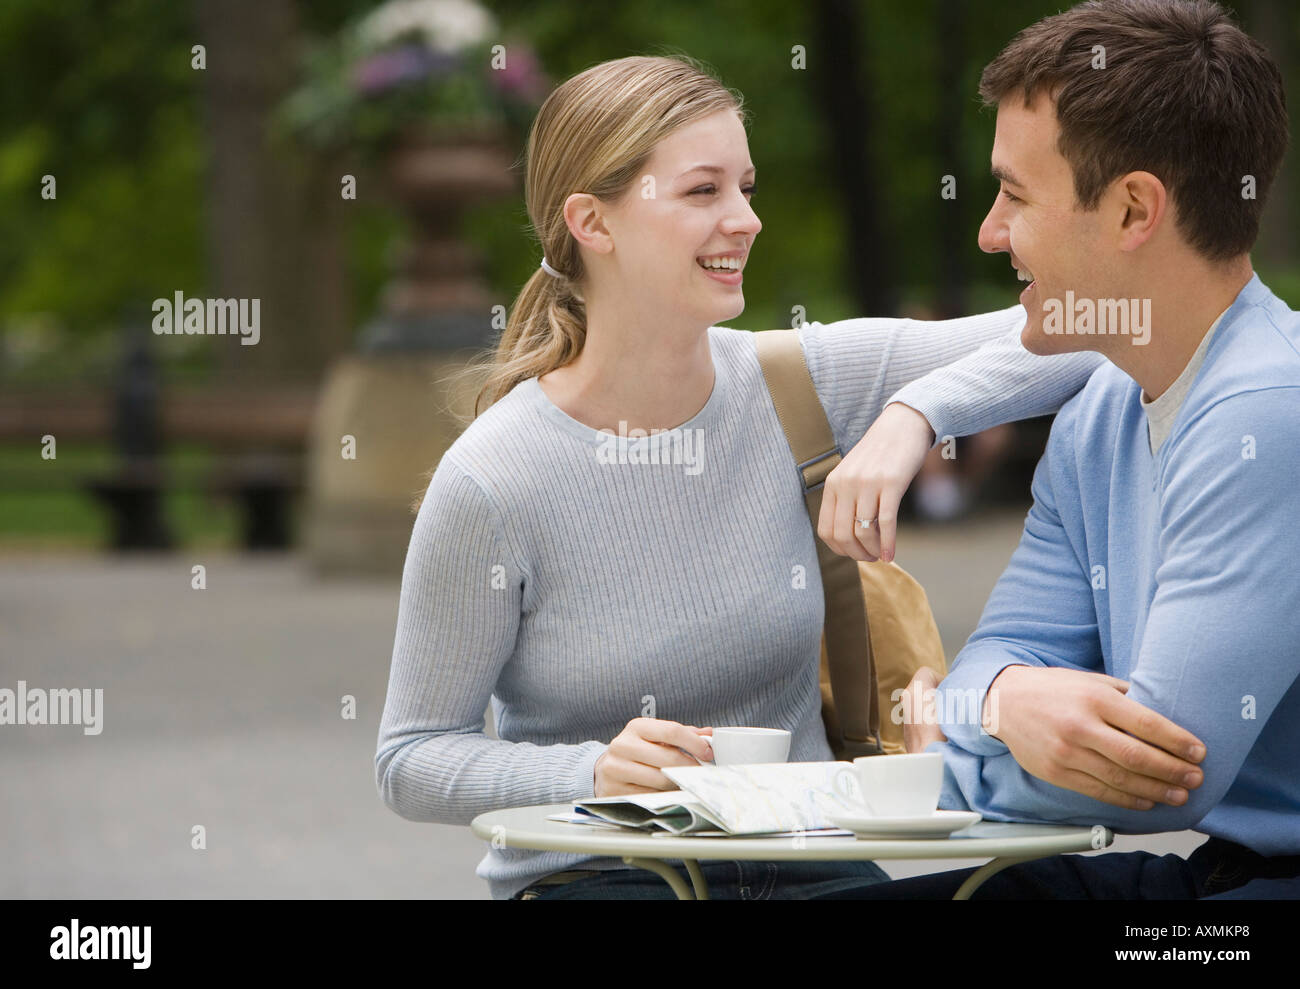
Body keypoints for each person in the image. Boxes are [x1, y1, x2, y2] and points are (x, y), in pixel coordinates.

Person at [373, 53, 1102, 900]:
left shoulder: (801, 383)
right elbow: (412, 757)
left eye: (746, 187)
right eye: (703, 191)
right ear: (592, 223)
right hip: (606, 876)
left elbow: (1085, 331)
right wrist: (595, 770)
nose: (746, 219)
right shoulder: (495, 477)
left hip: (815, 865)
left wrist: (917, 414)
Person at [814, 0, 1300, 900]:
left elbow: (1161, 772)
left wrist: (949, 730)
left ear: (1132, 210)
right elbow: (1002, 649)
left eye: (1016, 194)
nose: (989, 230)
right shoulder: (1102, 403)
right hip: (1223, 879)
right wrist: (999, 702)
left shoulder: (1270, 415)